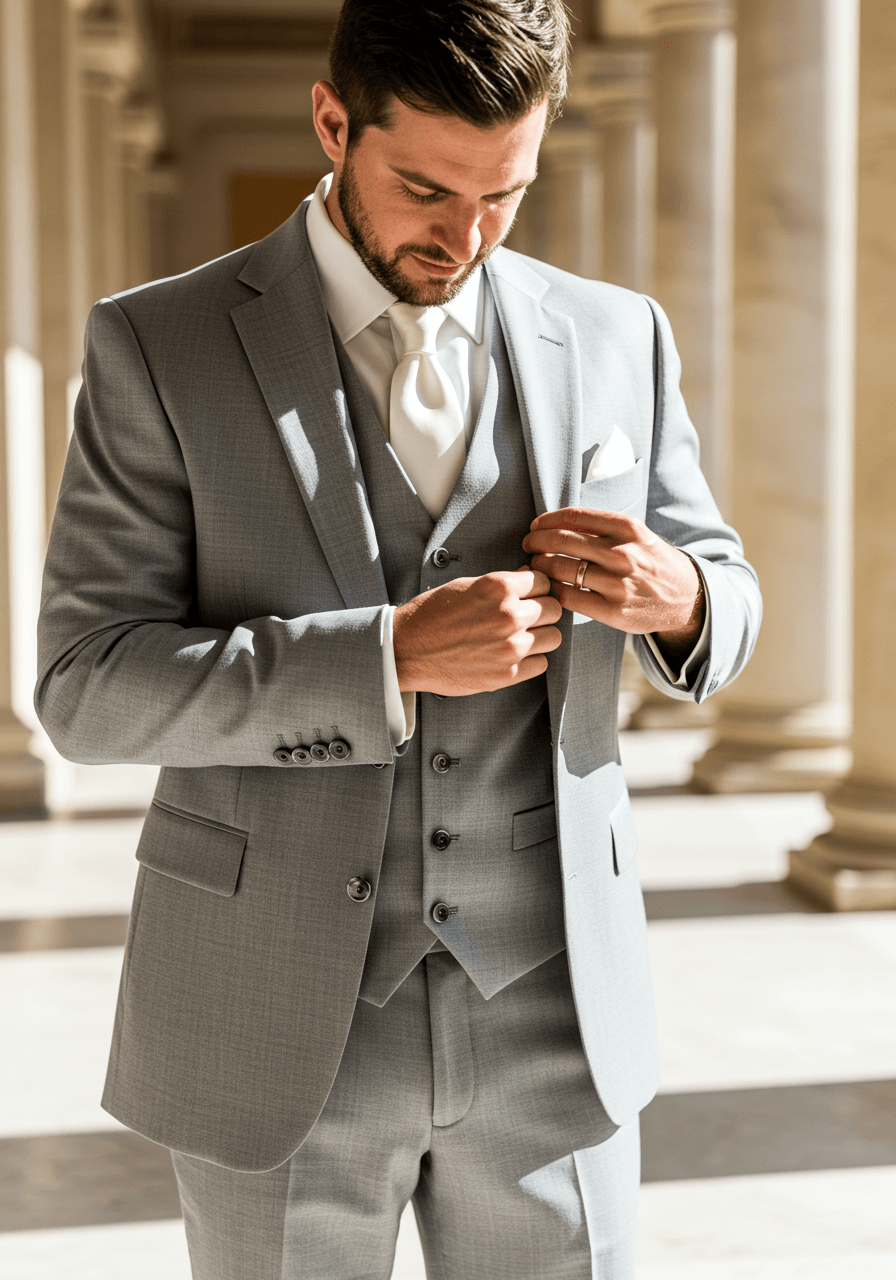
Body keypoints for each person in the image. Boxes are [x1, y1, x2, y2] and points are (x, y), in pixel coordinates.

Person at [35, 1, 761, 1275]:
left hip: (553, 1012)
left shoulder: (613, 334)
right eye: (426, 188)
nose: (466, 236)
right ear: (331, 122)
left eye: (505, 194)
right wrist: (387, 657)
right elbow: (87, 689)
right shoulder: (161, 344)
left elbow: (727, 585)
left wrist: (680, 598)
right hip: (273, 1023)